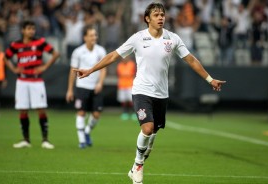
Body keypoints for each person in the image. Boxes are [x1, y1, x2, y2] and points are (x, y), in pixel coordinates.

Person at [73, 3, 226, 184]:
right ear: (147, 19)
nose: (161, 17)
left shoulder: (173, 38)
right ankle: (138, 166)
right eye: (156, 15)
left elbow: (191, 60)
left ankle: (136, 166)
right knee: (147, 128)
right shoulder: (138, 38)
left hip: (162, 94)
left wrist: (210, 79)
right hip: (141, 91)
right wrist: (91, 70)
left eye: (162, 14)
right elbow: (113, 56)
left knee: (152, 135)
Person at [4, 20, 60, 149]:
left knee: (41, 109)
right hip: (22, 81)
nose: (31, 31)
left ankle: (45, 140)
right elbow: (5, 57)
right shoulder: (16, 45)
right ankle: (26, 140)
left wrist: (45, 66)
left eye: (33, 29)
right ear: (23, 30)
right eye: (29, 28)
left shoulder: (39, 42)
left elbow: (55, 53)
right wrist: (13, 69)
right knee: (22, 109)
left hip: (36, 81)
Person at [66, 26, 106, 149]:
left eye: (95, 35)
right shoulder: (78, 52)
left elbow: (104, 68)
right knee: (81, 112)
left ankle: (87, 131)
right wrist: (70, 90)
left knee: (96, 114)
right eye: (91, 35)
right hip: (82, 86)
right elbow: (73, 71)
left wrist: (100, 83)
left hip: (95, 87)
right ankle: (82, 140)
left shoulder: (101, 50)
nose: (94, 37)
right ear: (85, 37)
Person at [116, 56, 136, 120]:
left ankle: (133, 113)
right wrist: (126, 74)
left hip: (130, 85)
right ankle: (125, 113)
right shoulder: (119, 65)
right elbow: (120, 73)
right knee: (124, 101)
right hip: (122, 85)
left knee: (131, 100)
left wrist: (126, 74)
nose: (124, 59)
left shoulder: (132, 64)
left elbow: (132, 73)